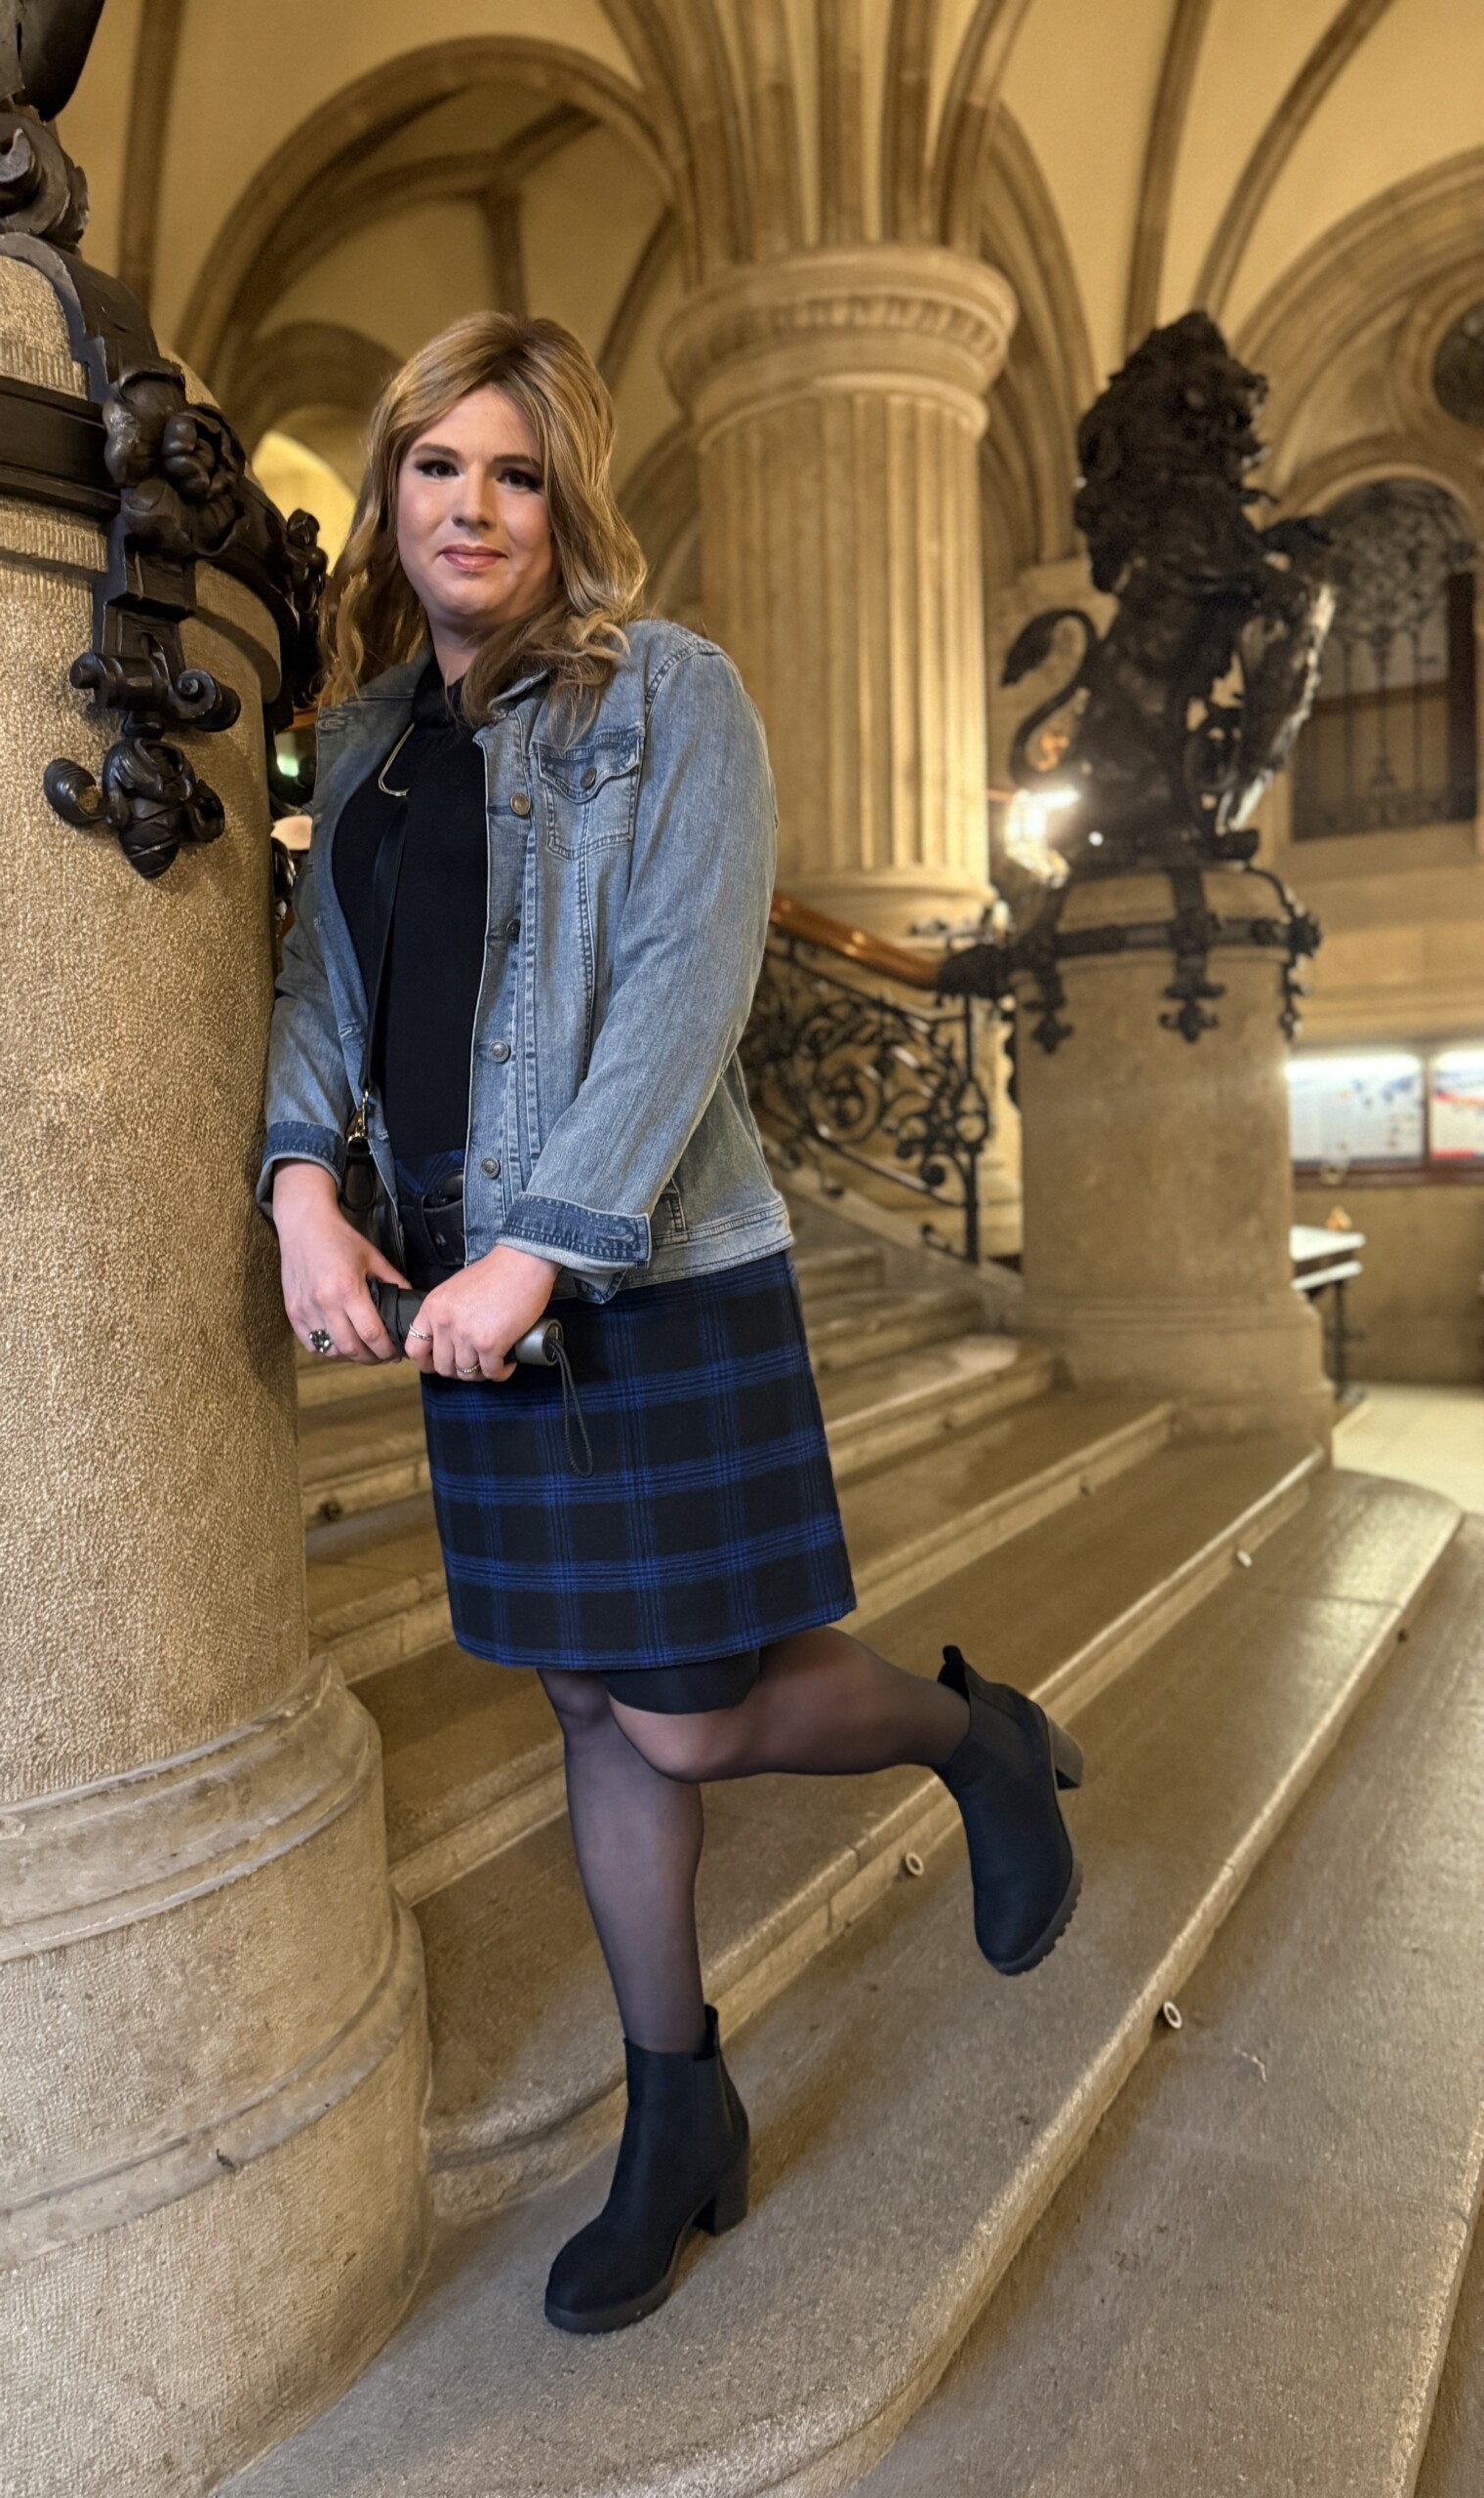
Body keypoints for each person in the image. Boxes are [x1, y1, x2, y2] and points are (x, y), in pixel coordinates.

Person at [261, 312, 1083, 2338]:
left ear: (567, 503)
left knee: (691, 1708)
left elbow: (689, 988)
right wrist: (299, 1189)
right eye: (437, 465)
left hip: (651, 1272)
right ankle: (674, 2101)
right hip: (462, 1291)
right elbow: (324, 998)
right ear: (390, 491)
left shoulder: (669, 694)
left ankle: (971, 1737)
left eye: (516, 472)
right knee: (583, 1703)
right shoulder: (361, 749)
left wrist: (541, 1249)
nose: (473, 506)